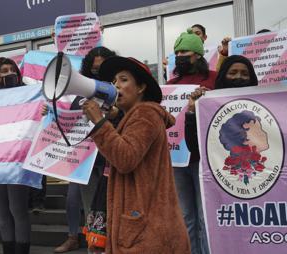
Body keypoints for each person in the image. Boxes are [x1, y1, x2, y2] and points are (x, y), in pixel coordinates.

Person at [82, 56, 190, 253]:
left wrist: (99, 123)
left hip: (145, 233)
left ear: (141, 87)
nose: (116, 86)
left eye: (123, 80)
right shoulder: (133, 116)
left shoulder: (145, 114)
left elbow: (125, 159)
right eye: (114, 81)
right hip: (143, 227)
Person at [184, 55, 258, 254]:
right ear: (223, 76)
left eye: (244, 73)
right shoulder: (209, 105)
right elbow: (194, 146)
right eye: (232, 73)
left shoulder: (263, 106)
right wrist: (193, 113)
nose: (239, 77)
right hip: (219, 184)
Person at [53, 46, 117, 253]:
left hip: (110, 160)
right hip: (87, 162)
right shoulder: (80, 96)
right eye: (94, 67)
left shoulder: (118, 92)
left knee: (113, 210)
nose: (97, 70)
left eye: (102, 67)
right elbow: (72, 125)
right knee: (92, 211)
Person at [167, 28, 218, 254]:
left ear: (198, 54)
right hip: (179, 160)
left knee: (205, 216)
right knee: (185, 216)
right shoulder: (171, 82)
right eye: (177, 53)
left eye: (185, 52)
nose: (180, 57)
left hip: (206, 158)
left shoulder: (214, 79)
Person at [0, 57, 31, 254]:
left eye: (12, 70)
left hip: (17, 162)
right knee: (2, 213)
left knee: (17, 210)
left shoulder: (28, 95)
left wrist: (41, 110)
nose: (9, 73)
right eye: (3, 71)